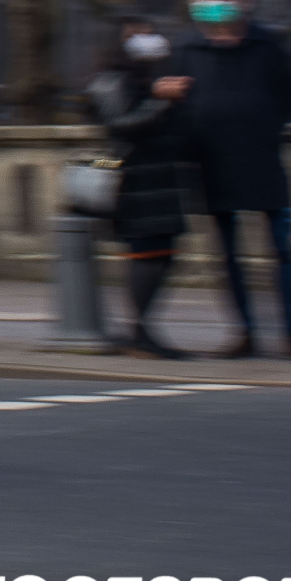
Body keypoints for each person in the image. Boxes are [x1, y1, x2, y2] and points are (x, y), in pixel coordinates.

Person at [172, 0, 291, 362]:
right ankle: (244, 333)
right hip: (213, 164)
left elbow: (289, 96)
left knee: (284, 251)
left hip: (264, 159)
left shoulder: (270, 46)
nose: (212, 3)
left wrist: (266, 129)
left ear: (244, 0)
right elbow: (174, 104)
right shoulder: (186, 50)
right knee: (227, 255)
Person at [86, 18, 195, 359]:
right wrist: (161, 99)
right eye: (135, 34)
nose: (145, 40)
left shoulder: (148, 77)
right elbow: (121, 125)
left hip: (160, 181)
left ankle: (141, 330)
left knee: (163, 257)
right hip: (135, 181)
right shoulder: (109, 82)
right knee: (146, 257)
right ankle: (138, 333)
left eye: (149, 33)